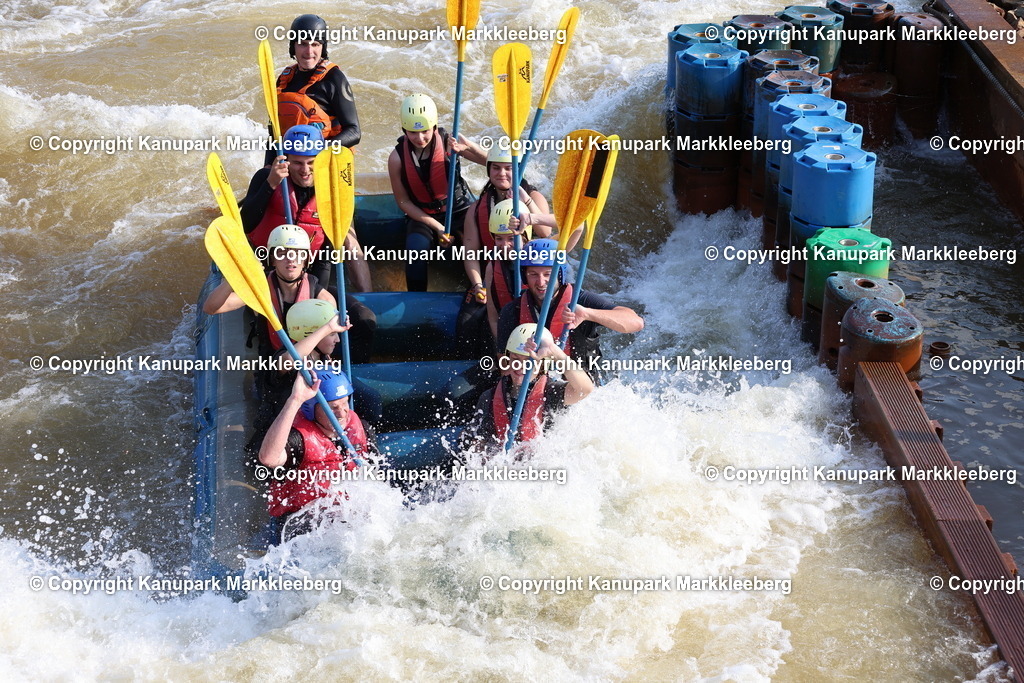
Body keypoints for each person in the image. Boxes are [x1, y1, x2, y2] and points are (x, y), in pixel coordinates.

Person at [243, 124, 372, 292]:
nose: (305, 170)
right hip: (268, 262)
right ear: (285, 159)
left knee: (348, 237)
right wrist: (271, 184)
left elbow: (325, 254)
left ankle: (368, 295)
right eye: (297, 163)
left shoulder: (331, 187)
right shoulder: (265, 177)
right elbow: (246, 224)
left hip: (308, 263)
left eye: (311, 162)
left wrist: (316, 288)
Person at [496, 238, 644, 382]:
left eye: (548, 274)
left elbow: (636, 323)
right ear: (524, 276)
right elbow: (505, 367)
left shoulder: (580, 300)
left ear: (560, 274)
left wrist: (588, 314)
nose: (541, 282)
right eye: (533, 274)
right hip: (538, 390)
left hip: (583, 386)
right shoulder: (511, 311)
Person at [387, 93, 487, 291]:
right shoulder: (396, 158)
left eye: (425, 131)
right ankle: (417, 300)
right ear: (404, 131)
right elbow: (404, 202)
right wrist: (438, 227)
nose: (420, 138)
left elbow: (492, 163)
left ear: (434, 127)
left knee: (477, 248)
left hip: (458, 210)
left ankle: (479, 290)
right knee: (415, 250)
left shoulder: (450, 142)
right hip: (422, 216)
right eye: (413, 133)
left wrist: (472, 149)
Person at [259, 369, 377, 523]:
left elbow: (374, 476)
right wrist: (295, 400)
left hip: (344, 512)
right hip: (303, 518)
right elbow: (269, 458)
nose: (342, 414)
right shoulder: (297, 439)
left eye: (345, 403)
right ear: (311, 409)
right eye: (333, 407)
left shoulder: (362, 428)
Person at [464, 323, 593, 449]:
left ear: (542, 365)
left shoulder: (552, 393)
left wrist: (554, 351)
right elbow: (475, 440)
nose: (520, 366)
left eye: (529, 361)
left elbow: (585, 389)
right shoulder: (488, 397)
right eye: (515, 358)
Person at [461, 145, 551, 303]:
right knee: (467, 324)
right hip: (492, 275)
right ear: (489, 171)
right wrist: (478, 285)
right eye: (496, 168)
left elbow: (545, 232)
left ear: (517, 170)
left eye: (508, 168)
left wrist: (526, 201)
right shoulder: (476, 209)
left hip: (529, 277)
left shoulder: (534, 197)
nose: (502, 173)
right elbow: (470, 253)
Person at [272, 14, 360, 153]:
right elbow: (274, 132)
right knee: (262, 174)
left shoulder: (334, 79)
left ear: (322, 47)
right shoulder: (284, 80)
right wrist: (270, 165)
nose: (309, 51)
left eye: (315, 44)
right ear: (293, 46)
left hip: (324, 160)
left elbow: (354, 132)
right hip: (294, 161)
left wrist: (315, 152)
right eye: (303, 44)